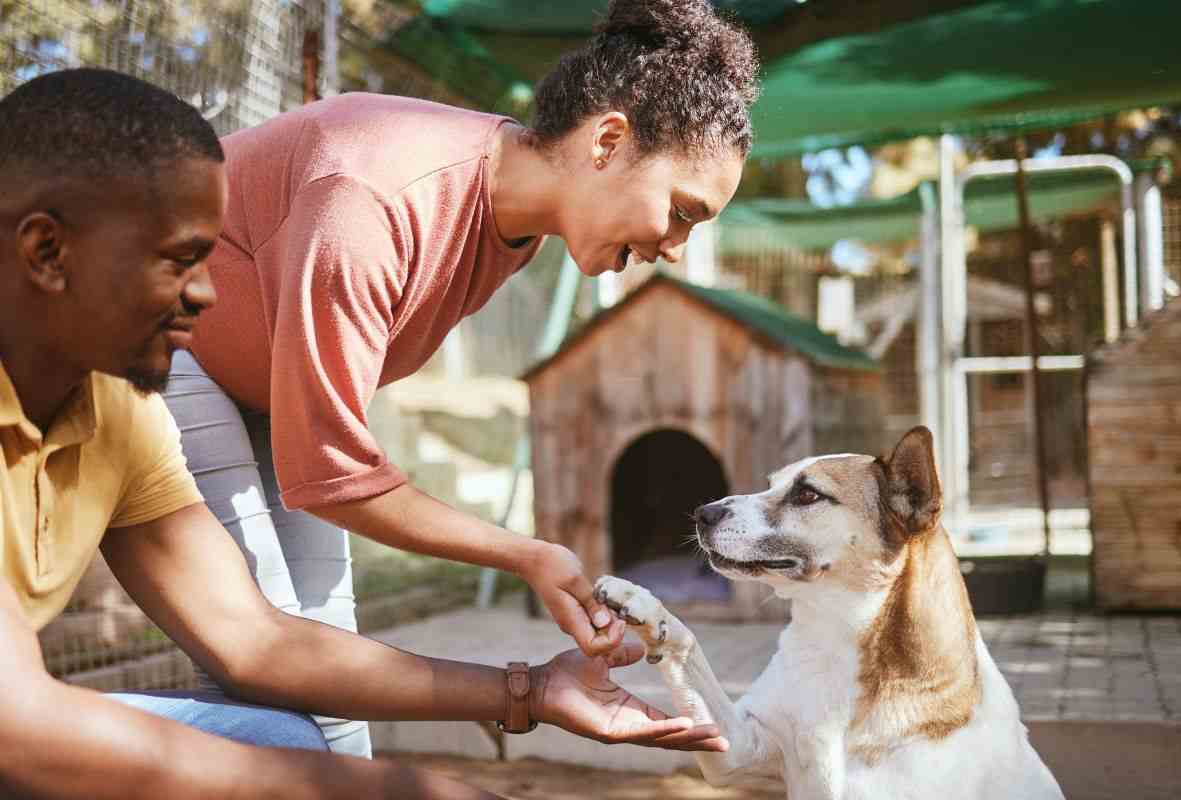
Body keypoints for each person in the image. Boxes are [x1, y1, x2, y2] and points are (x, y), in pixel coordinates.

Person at [0, 68, 726, 800]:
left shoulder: (115, 415)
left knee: (289, 732)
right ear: (47, 253)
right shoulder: (367, 195)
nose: (211, 291)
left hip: (248, 401)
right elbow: (17, 731)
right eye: (181, 260)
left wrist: (530, 693)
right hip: (20, 718)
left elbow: (257, 643)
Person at [174, 0, 761, 756]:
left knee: (327, 685)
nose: (676, 246)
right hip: (169, 354)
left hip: (261, 395)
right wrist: (525, 553)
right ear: (608, 141)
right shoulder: (371, 199)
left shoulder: (515, 223)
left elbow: (319, 463)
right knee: (274, 678)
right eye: (681, 212)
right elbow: (328, 474)